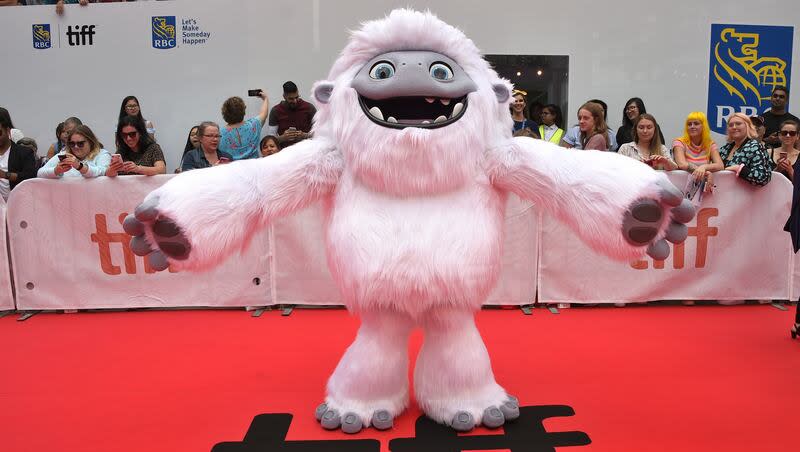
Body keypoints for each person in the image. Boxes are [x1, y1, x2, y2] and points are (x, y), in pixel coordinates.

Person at [672, 112, 724, 191]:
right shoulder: (679, 142)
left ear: (704, 126)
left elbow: (720, 165)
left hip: (702, 189)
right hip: (680, 188)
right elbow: (682, 164)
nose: (692, 126)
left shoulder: (710, 144)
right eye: (689, 124)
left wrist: (704, 167)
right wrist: (705, 173)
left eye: (696, 123)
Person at [38, 124, 110, 179]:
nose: (76, 147)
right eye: (72, 143)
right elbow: (40, 173)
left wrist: (80, 167)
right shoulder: (65, 154)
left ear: (91, 142)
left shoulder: (102, 154)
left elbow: (104, 172)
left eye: (80, 143)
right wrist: (56, 170)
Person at [719, 113, 771, 186]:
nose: (734, 127)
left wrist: (740, 169)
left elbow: (763, 178)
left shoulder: (755, 147)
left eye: (738, 124)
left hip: (747, 196)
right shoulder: (724, 148)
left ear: (748, 126)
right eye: (730, 125)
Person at [219, 91, 269, 160]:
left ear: (224, 112)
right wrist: (265, 99)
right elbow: (264, 113)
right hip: (254, 168)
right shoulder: (253, 125)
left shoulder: (219, 134)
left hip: (232, 169)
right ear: (243, 110)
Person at [0, 107, 37, 200]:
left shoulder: (24, 153)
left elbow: (30, 177)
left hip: (18, 205)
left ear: (8, 130)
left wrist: (4, 175)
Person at [267, 81, 316, 146]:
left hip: (307, 150)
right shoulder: (275, 111)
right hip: (285, 151)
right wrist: (283, 138)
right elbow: (270, 139)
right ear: (284, 96)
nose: (295, 101)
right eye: (291, 99)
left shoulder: (309, 108)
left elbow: (320, 133)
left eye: (297, 97)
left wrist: (305, 136)